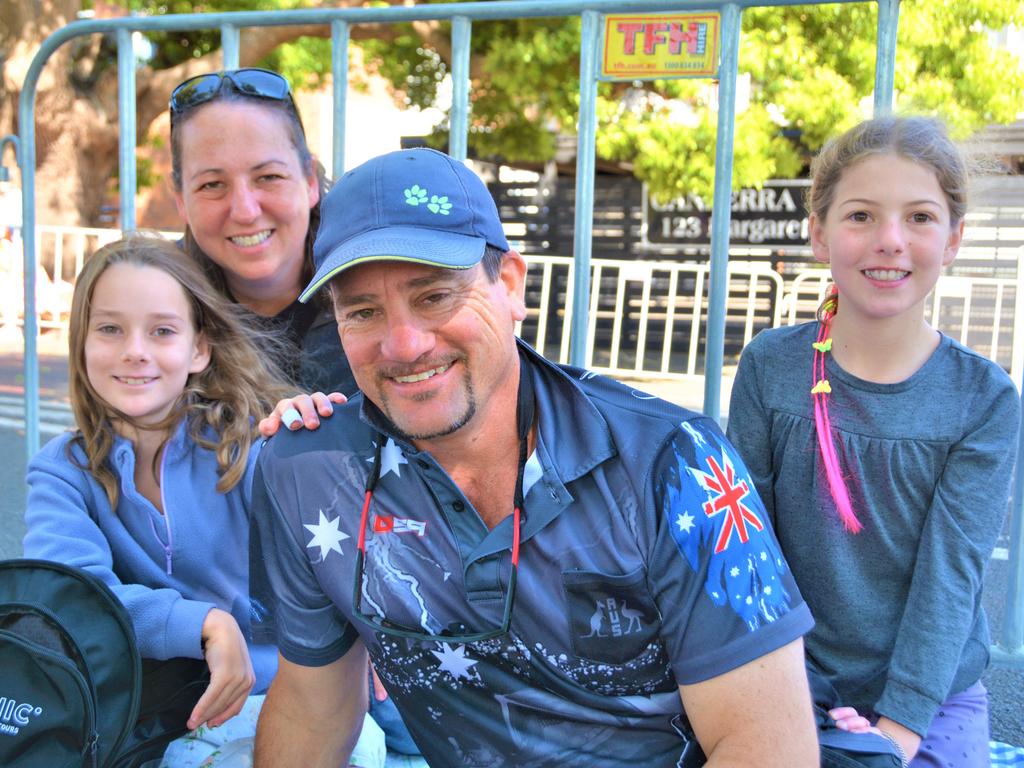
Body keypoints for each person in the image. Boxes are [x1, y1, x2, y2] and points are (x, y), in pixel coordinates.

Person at [248, 147, 820, 767]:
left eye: (436, 295)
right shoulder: (305, 471)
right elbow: (313, 711)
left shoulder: (674, 463)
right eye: (362, 311)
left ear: (511, 286)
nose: (404, 344)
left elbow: (767, 749)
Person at [22, 235, 385, 767]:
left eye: (162, 331)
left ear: (199, 348)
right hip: (152, 714)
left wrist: (316, 447)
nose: (135, 351)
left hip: (285, 698)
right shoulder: (62, 470)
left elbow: (342, 558)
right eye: (109, 329)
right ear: (80, 342)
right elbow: (71, 600)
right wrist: (202, 623)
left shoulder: (251, 446)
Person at [727, 115, 1020, 768]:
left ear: (953, 240)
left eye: (919, 217)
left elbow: (950, 578)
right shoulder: (771, 368)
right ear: (818, 233)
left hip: (928, 699)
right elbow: (745, 548)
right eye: (861, 215)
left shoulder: (984, 398)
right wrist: (788, 693)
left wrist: (895, 733)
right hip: (785, 677)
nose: (890, 240)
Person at [169, 67, 356, 397]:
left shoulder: (372, 286)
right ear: (180, 199)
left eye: (268, 177)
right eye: (212, 184)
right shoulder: (154, 308)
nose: (245, 211)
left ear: (309, 180)